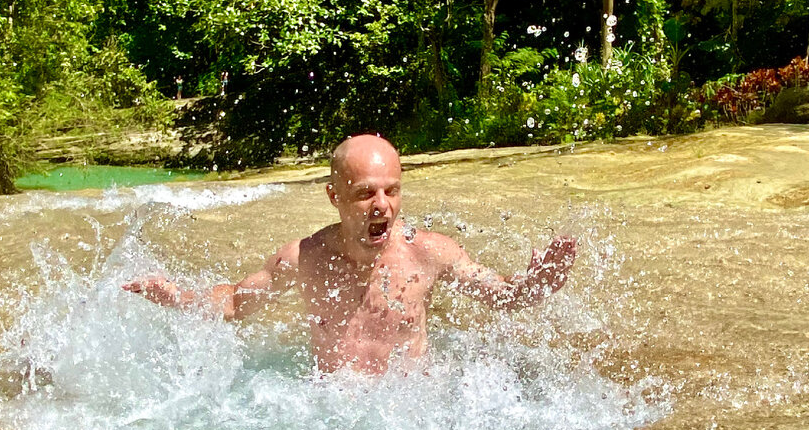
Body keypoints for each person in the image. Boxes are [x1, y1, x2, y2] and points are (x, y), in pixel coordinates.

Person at [124, 134, 576, 374]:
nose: (382, 205)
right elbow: (236, 303)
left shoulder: (430, 253)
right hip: (333, 410)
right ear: (333, 195)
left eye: (392, 191)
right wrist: (177, 297)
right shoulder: (302, 260)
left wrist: (535, 285)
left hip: (412, 413)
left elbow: (503, 297)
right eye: (365, 194)